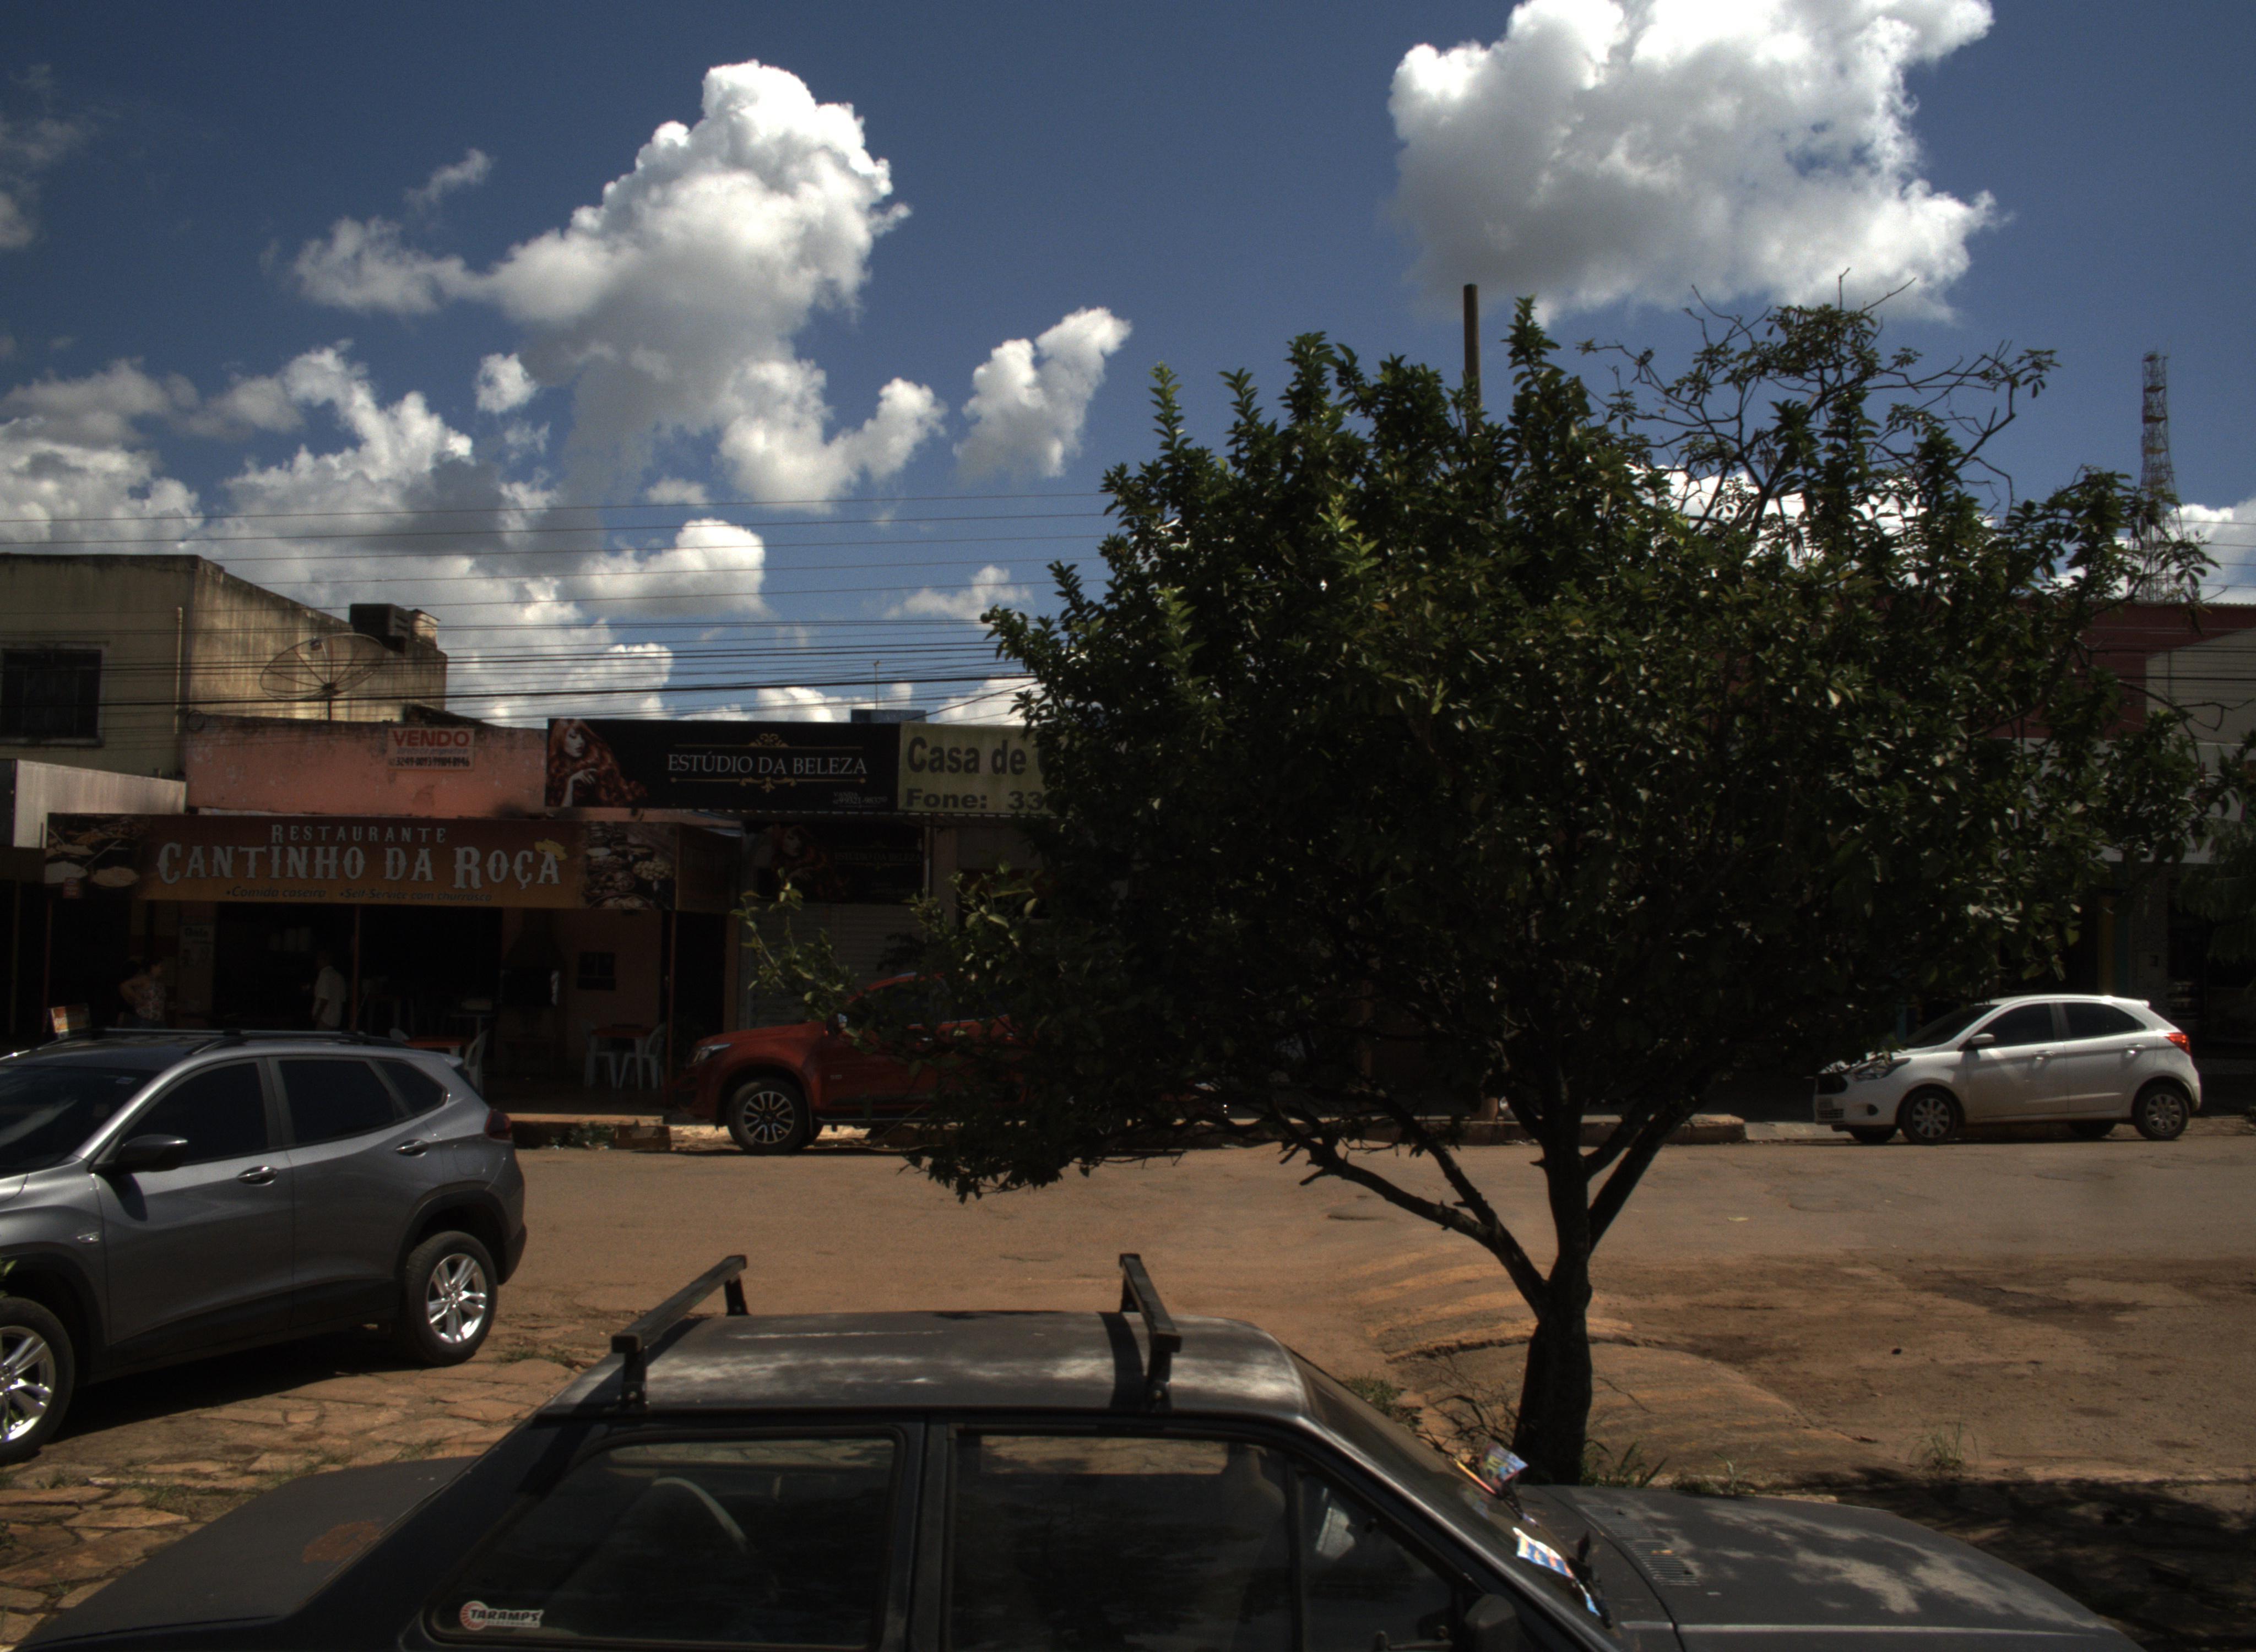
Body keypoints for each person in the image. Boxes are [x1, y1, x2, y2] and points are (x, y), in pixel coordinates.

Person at [117, 958, 167, 1028]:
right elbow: (124, 985)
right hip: (146, 1020)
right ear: (153, 967)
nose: (163, 969)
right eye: (161, 966)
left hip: (159, 1021)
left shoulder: (160, 983)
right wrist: (137, 997)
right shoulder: (145, 979)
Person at [310, 948, 348, 1031]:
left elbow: (324, 998)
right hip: (336, 1019)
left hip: (325, 1019)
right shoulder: (339, 977)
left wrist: (317, 1015)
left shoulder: (325, 975)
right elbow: (342, 999)